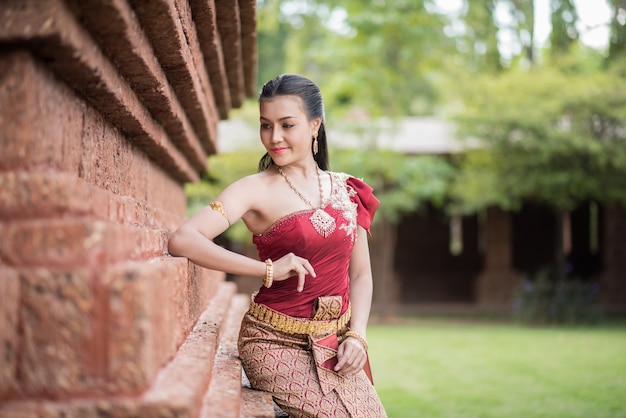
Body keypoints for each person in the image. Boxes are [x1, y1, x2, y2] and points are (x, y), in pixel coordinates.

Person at [168, 74, 387, 417]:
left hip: (336, 341)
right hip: (273, 342)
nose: (274, 137)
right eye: (265, 125)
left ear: (315, 125)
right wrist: (267, 269)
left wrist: (357, 335)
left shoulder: (348, 191)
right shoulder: (253, 190)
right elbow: (184, 239)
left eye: (287, 125)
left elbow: (360, 275)